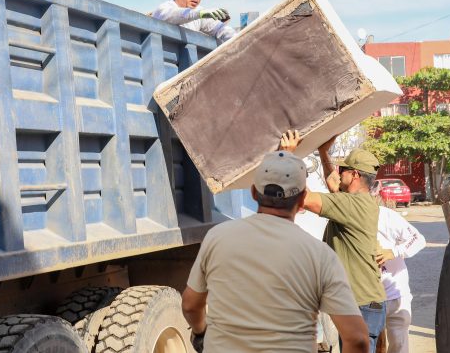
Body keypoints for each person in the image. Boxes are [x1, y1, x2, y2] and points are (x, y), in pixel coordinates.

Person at [181, 149, 369, 353]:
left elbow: (191, 305)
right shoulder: (321, 256)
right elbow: (357, 339)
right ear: (302, 199)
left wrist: (201, 333)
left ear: (253, 192)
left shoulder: (217, 238)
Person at [280, 130, 387, 353]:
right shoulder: (360, 201)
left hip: (362, 306)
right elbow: (336, 187)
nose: (338, 174)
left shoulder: (353, 205)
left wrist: (287, 156)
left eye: (343, 171)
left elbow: (305, 198)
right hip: (361, 304)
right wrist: (323, 151)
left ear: (355, 175)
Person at [375, 203, 426, 353]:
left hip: (395, 294)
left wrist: (394, 251)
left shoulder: (384, 215)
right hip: (367, 299)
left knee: (399, 346)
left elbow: (418, 239)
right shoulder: (343, 216)